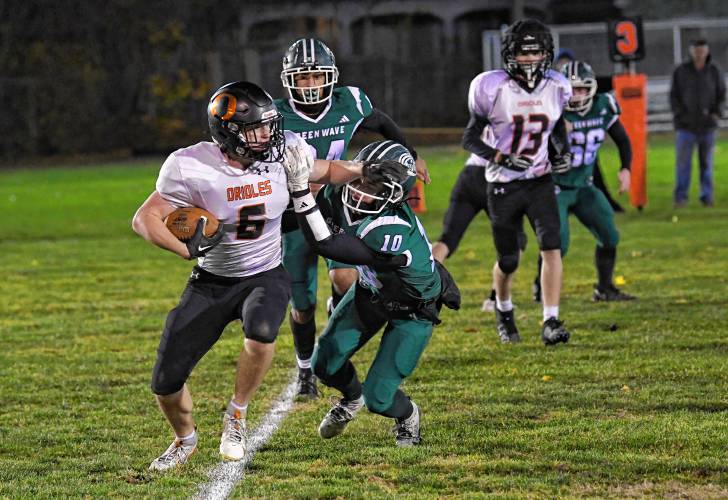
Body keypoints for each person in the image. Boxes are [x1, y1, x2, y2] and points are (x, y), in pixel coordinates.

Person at [132, 80, 400, 471]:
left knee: (261, 331)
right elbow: (144, 219)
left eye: (270, 125)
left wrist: (364, 168)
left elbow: (323, 169)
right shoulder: (190, 165)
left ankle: (237, 415)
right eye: (257, 128)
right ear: (229, 132)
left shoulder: (285, 150)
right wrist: (183, 248)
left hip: (266, 273)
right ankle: (184, 439)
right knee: (166, 381)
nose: (269, 134)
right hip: (211, 279)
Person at [275, 38, 430, 400]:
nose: (311, 85)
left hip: (333, 205)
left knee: (346, 277)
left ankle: (337, 326)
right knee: (301, 304)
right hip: (290, 214)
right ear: (289, 81)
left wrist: (412, 153)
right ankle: (303, 368)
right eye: (304, 78)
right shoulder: (274, 116)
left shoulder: (350, 101)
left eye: (317, 77)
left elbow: (382, 122)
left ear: (331, 77)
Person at [281, 139, 460, 446]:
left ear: (396, 196)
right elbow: (293, 222)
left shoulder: (392, 227)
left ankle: (407, 415)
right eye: (364, 179)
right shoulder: (339, 192)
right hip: (371, 292)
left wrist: (300, 191)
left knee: (380, 397)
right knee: (323, 362)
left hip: (413, 311)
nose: (363, 190)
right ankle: (351, 399)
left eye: (377, 189)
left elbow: (327, 244)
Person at [462, 18, 572, 345]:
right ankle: (504, 308)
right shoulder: (490, 86)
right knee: (509, 260)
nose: (530, 61)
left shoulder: (557, 85)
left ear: (547, 54)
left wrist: (560, 152)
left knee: (551, 245)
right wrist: (501, 157)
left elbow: (558, 127)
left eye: (536, 53)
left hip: (539, 179)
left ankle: (551, 320)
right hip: (502, 185)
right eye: (523, 54)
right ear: (510, 55)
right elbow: (470, 137)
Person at [533, 60, 636, 301]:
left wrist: (626, 169)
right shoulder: (551, 110)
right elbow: (533, 147)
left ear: (592, 89)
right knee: (558, 245)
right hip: (554, 187)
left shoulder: (603, 106)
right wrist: (556, 133)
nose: (577, 95)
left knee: (609, 235)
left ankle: (605, 288)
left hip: (585, 185)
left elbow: (622, 139)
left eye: (581, 89)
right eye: (572, 89)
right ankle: (541, 287)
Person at [670, 38, 725, 208]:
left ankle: (706, 196)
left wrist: (717, 113)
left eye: (702, 49)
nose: (699, 53)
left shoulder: (714, 70)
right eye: (696, 49)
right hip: (685, 127)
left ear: (707, 51)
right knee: (683, 164)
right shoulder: (681, 71)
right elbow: (674, 96)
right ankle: (681, 197)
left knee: (706, 164)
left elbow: (722, 94)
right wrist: (680, 116)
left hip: (707, 127)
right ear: (691, 51)